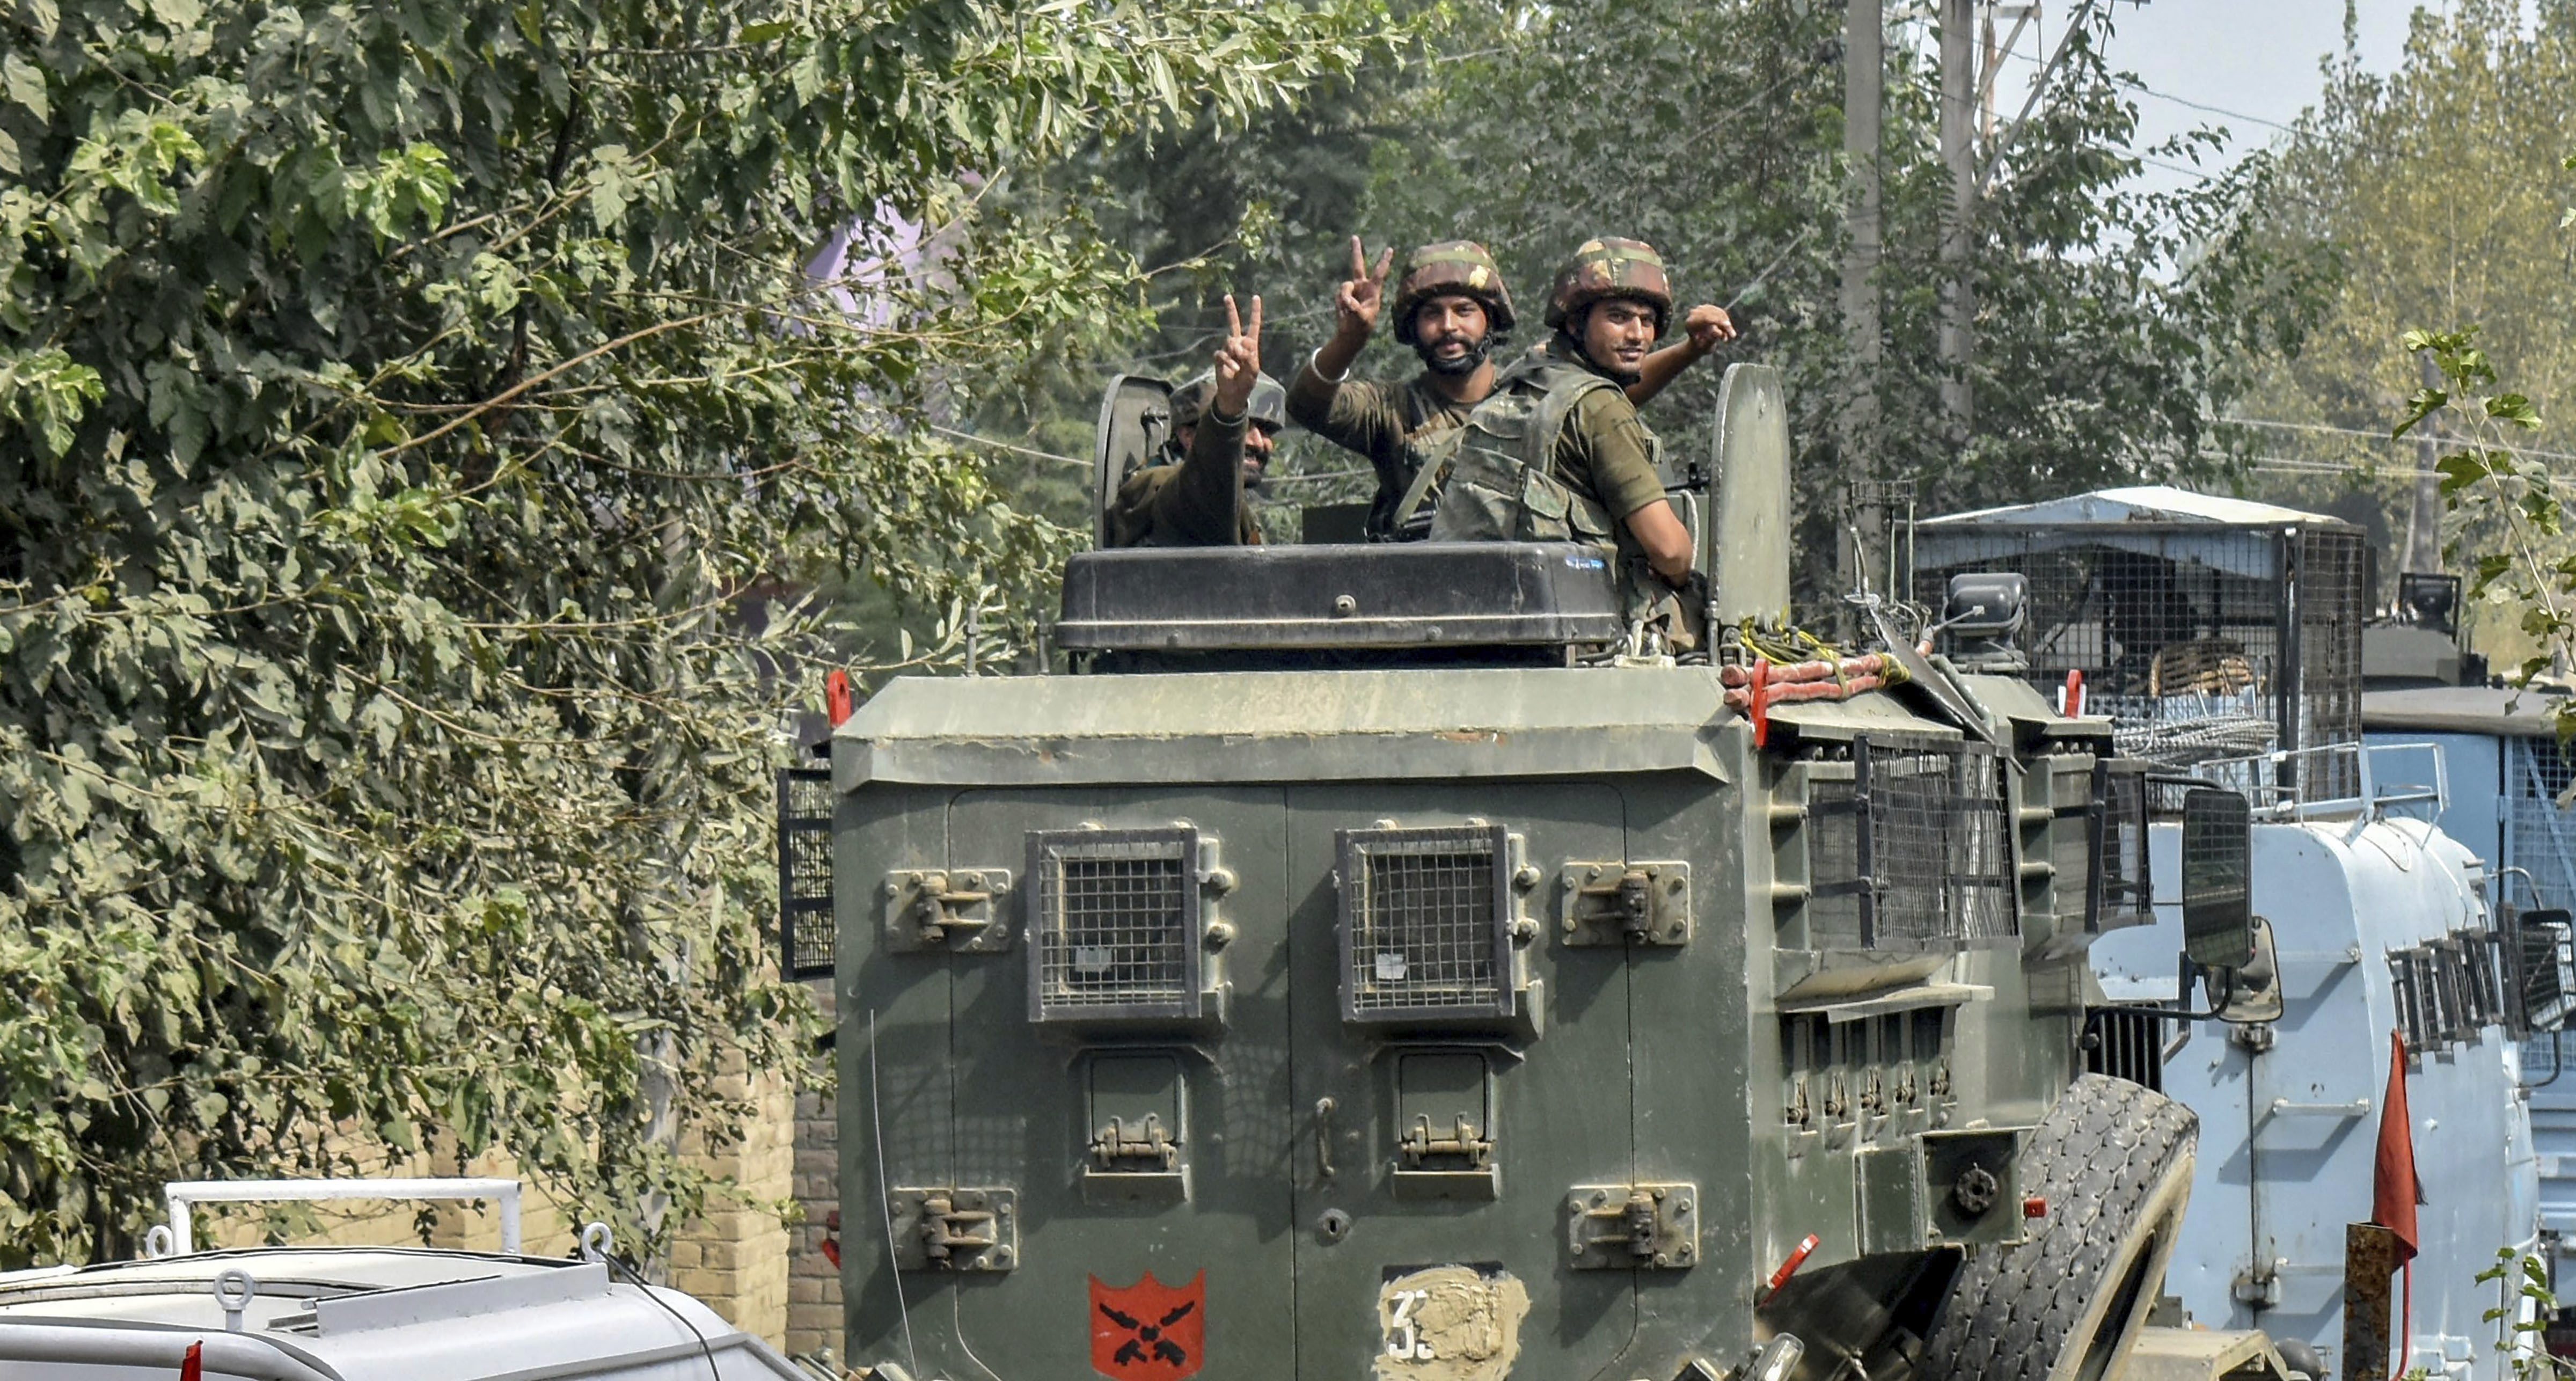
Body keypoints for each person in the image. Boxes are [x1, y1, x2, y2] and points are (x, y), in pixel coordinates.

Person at [1292, 236, 1738, 539]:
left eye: (1464, 310)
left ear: (1490, 318)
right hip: (1418, 603)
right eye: (1432, 315)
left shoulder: (1529, 393)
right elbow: (1308, 405)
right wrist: (1349, 341)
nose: (1449, 327)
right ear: (1413, 327)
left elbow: (1602, 405)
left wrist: (1688, 350)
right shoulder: (1389, 409)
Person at [1427, 237, 1703, 626]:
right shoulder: (1602, 408)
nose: (1638, 334)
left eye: (1647, 320)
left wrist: (1692, 349)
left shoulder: (1525, 380)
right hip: (1574, 627)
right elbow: (1670, 550)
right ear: (1576, 323)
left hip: (1472, 612)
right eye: (1619, 317)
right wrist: (1680, 571)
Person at [1107, 295, 1282, 547]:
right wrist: (1229, 412)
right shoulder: (1165, 490)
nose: (1257, 441)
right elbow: (1206, 482)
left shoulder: (1232, 509)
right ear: (1188, 436)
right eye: (1247, 427)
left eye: (1266, 430)